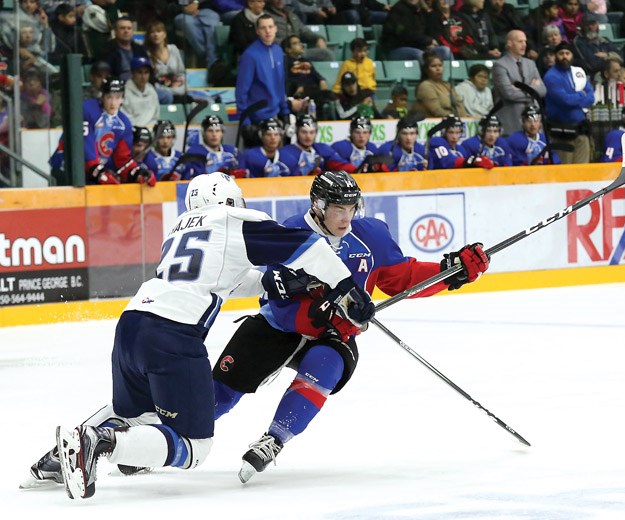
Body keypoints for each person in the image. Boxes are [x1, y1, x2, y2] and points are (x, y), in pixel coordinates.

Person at [32, 171, 374, 499]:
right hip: (173, 335)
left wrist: (276, 283)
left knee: (136, 415)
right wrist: (347, 288)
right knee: (195, 446)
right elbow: (310, 245)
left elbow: (230, 278)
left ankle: (55, 460)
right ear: (227, 200)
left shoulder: (179, 231)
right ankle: (99, 441)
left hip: (132, 324)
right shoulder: (230, 220)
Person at [211, 170, 489, 482]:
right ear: (318, 206)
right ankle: (167, 436)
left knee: (326, 364)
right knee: (218, 395)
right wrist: (320, 315)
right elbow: (278, 298)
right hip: (279, 326)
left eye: (351, 209)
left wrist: (449, 272)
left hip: (332, 336)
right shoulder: (290, 231)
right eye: (338, 210)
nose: (346, 218)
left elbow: (401, 278)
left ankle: (273, 440)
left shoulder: (370, 235)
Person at [49, 78, 156, 186]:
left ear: (123, 98)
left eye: (117, 97)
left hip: (93, 174)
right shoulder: (87, 109)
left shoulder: (124, 124)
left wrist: (136, 173)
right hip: (67, 167)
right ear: (102, 96)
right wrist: (99, 171)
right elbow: (84, 145)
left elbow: (122, 159)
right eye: (109, 97)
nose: (113, 103)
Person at [236, 14, 298, 147]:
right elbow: (241, 91)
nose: (268, 31)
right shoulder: (250, 55)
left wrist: (285, 113)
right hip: (256, 120)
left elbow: (280, 85)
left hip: (275, 117)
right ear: (257, 31)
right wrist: (245, 123)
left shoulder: (278, 51)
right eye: (263, 28)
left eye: (270, 27)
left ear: (276, 28)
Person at [543, 41, 594, 164]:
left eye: (567, 53)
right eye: (561, 53)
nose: (564, 56)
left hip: (581, 131)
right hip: (561, 133)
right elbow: (565, 101)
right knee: (565, 173)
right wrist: (581, 95)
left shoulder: (578, 72)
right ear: (555, 56)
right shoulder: (551, 76)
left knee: (583, 172)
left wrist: (575, 99)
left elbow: (591, 98)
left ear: (572, 55)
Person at [492, 30, 546, 136]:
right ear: (509, 43)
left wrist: (521, 89)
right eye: (520, 41)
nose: (524, 45)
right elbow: (509, 93)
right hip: (512, 123)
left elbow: (543, 90)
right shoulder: (500, 65)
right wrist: (533, 90)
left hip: (534, 123)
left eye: (525, 42)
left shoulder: (531, 64)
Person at [280, 114, 355, 175]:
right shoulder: (286, 152)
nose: (308, 136)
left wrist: (358, 170)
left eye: (312, 132)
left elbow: (340, 165)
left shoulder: (321, 148)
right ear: (296, 132)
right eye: (304, 132)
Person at [381, 0, 453, 62]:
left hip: (420, 46)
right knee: (420, 55)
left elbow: (433, 31)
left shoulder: (422, 10)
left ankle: (452, 78)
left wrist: (431, 43)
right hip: (397, 48)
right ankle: (425, 78)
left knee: (445, 51)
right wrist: (427, 41)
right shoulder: (398, 9)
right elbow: (405, 34)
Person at [427, 114, 495, 170]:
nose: (454, 137)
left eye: (458, 133)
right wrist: (472, 161)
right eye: (451, 132)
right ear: (444, 132)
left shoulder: (461, 149)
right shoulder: (436, 142)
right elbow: (447, 162)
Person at [144, 21, 188, 105]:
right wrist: (169, 91)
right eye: (152, 32)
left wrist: (179, 87)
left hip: (178, 87)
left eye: (158, 31)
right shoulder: (147, 54)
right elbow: (151, 80)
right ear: (149, 36)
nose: (156, 34)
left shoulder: (173, 49)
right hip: (160, 90)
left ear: (164, 34)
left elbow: (182, 73)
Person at [413, 52, 468, 118]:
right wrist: (455, 118)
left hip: (455, 121)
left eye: (440, 65)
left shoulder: (448, 85)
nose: (438, 69)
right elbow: (437, 111)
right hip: (436, 122)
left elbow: (459, 104)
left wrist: (463, 118)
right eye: (433, 66)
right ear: (426, 70)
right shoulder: (425, 86)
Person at [174, 0, 220, 68]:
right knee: (188, 23)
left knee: (213, 18)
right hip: (182, 13)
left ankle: (211, 60)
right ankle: (209, 58)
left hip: (204, 10)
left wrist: (196, 2)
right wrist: (186, 7)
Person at [572, 14, 620, 80]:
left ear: (597, 25)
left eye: (593, 24)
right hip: (589, 77)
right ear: (582, 26)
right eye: (587, 25)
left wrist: (607, 55)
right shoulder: (578, 42)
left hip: (608, 76)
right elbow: (592, 65)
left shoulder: (604, 40)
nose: (590, 27)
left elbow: (620, 57)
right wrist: (611, 59)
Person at [102, 16, 148, 82]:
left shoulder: (139, 49)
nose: (126, 31)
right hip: (119, 86)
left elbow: (147, 69)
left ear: (132, 32)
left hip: (141, 84)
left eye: (129, 28)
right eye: (122, 28)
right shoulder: (108, 50)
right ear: (115, 32)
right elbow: (107, 75)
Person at [122, 56, 160, 128]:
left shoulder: (151, 90)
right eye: (139, 72)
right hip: (134, 133)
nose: (143, 77)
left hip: (151, 130)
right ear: (132, 73)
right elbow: (127, 120)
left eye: (146, 72)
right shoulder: (125, 92)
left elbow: (156, 116)